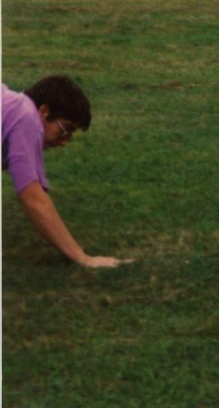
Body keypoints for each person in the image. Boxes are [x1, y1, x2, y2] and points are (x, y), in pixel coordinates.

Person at [2, 76, 132, 268]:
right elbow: (32, 197)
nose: (64, 141)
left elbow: (37, 189)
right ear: (44, 111)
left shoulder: (16, 110)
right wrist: (82, 258)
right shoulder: (26, 117)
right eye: (66, 129)